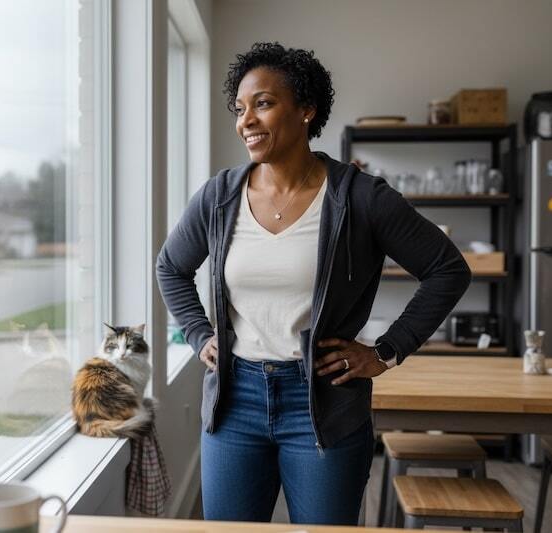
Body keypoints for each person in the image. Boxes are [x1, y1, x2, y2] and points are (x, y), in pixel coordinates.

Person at [155, 42, 471, 525]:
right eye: (240, 109)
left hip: (323, 406)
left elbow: (448, 269)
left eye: (263, 103)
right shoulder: (219, 197)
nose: (246, 121)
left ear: (306, 109)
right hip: (234, 404)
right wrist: (199, 334)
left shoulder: (362, 198)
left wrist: (386, 351)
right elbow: (170, 268)